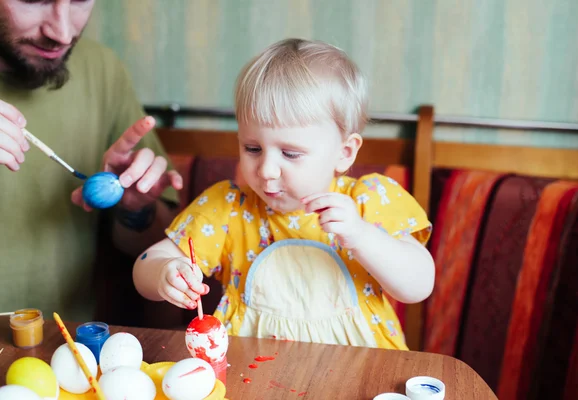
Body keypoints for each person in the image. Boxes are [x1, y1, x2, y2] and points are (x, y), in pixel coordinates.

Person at [133, 38, 434, 350]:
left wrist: (360, 235)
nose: (266, 169)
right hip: (253, 374)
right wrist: (165, 272)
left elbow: (419, 285)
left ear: (344, 152)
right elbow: (145, 263)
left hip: (362, 372)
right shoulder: (227, 208)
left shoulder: (369, 200)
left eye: (290, 154)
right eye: (253, 148)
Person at [0, 0, 182, 322]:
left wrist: (136, 210)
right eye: (33, 0)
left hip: (65, 348)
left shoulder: (101, 68)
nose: (63, 33)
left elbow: (157, 249)